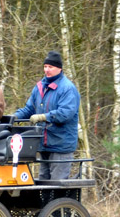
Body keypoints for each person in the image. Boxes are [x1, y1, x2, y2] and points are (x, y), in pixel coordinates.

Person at [14, 50, 80, 180]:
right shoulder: (39, 87)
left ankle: (61, 201)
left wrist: (43, 117)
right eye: (45, 66)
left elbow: (65, 113)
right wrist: (13, 117)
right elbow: (29, 109)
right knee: (43, 182)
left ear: (59, 68)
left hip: (61, 145)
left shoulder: (67, 88)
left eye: (51, 67)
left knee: (57, 184)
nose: (47, 70)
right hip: (44, 145)